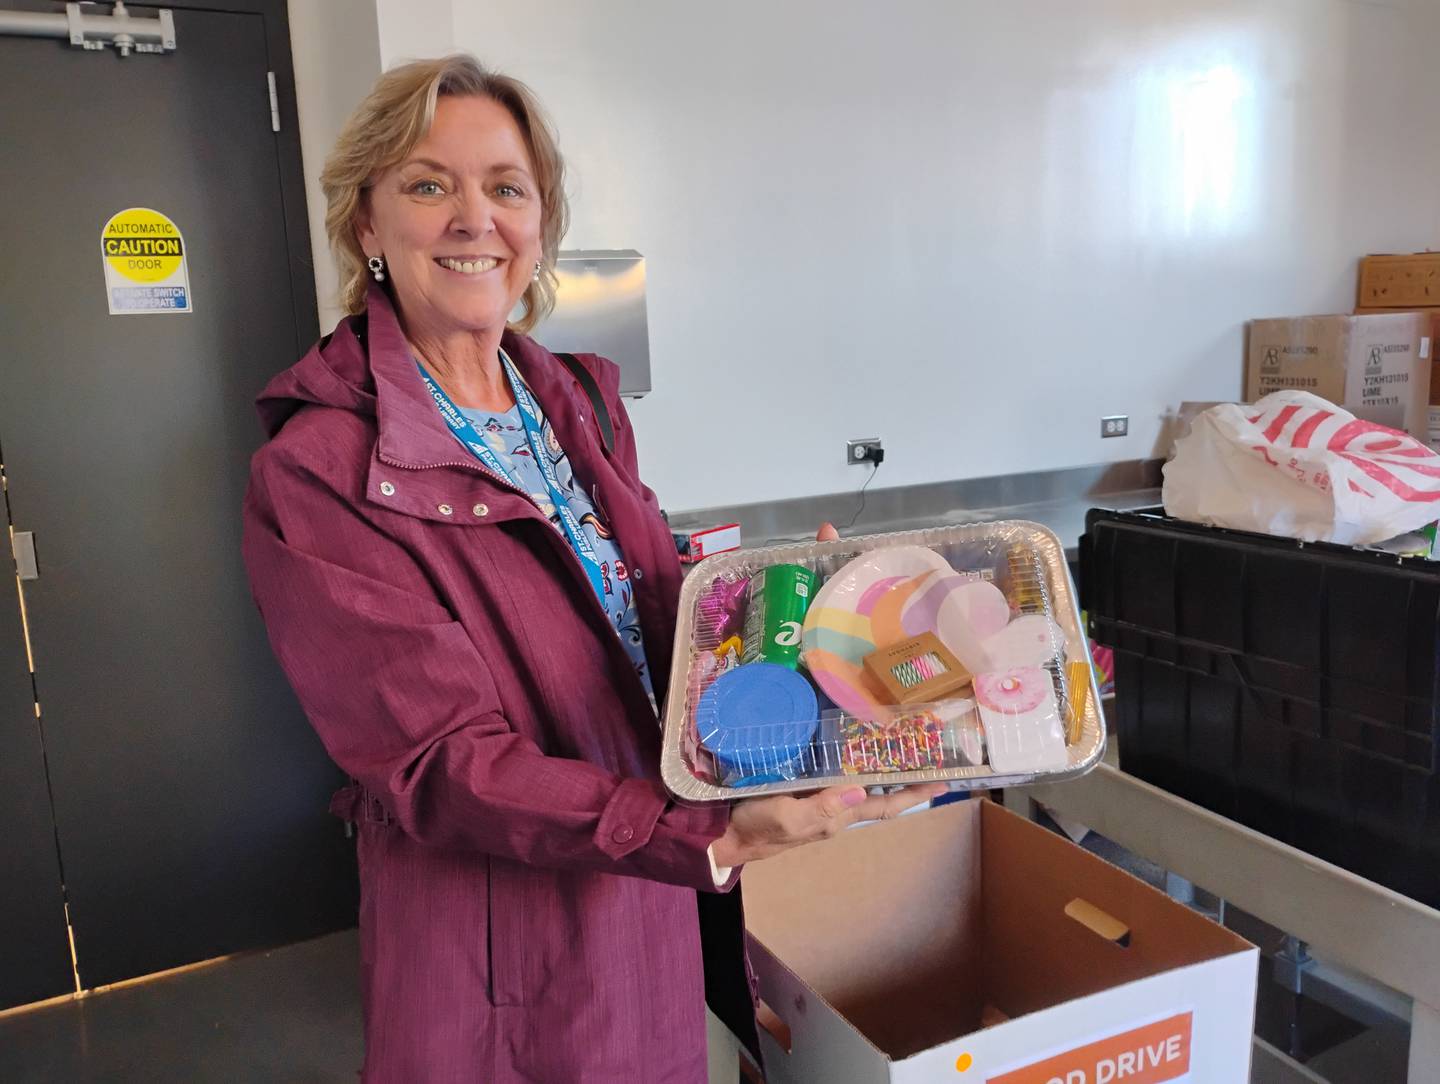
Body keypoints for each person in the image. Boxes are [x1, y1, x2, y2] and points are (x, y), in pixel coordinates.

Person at [242, 54, 942, 1083]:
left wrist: (791, 614)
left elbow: (650, 614)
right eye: (429, 184)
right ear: (366, 224)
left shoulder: (575, 403)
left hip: (647, 884)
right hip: (502, 945)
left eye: (507, 187)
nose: (474, 218)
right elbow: (441, 760)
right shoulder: (321, 468)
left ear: (539, 224)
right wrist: (707, 830)